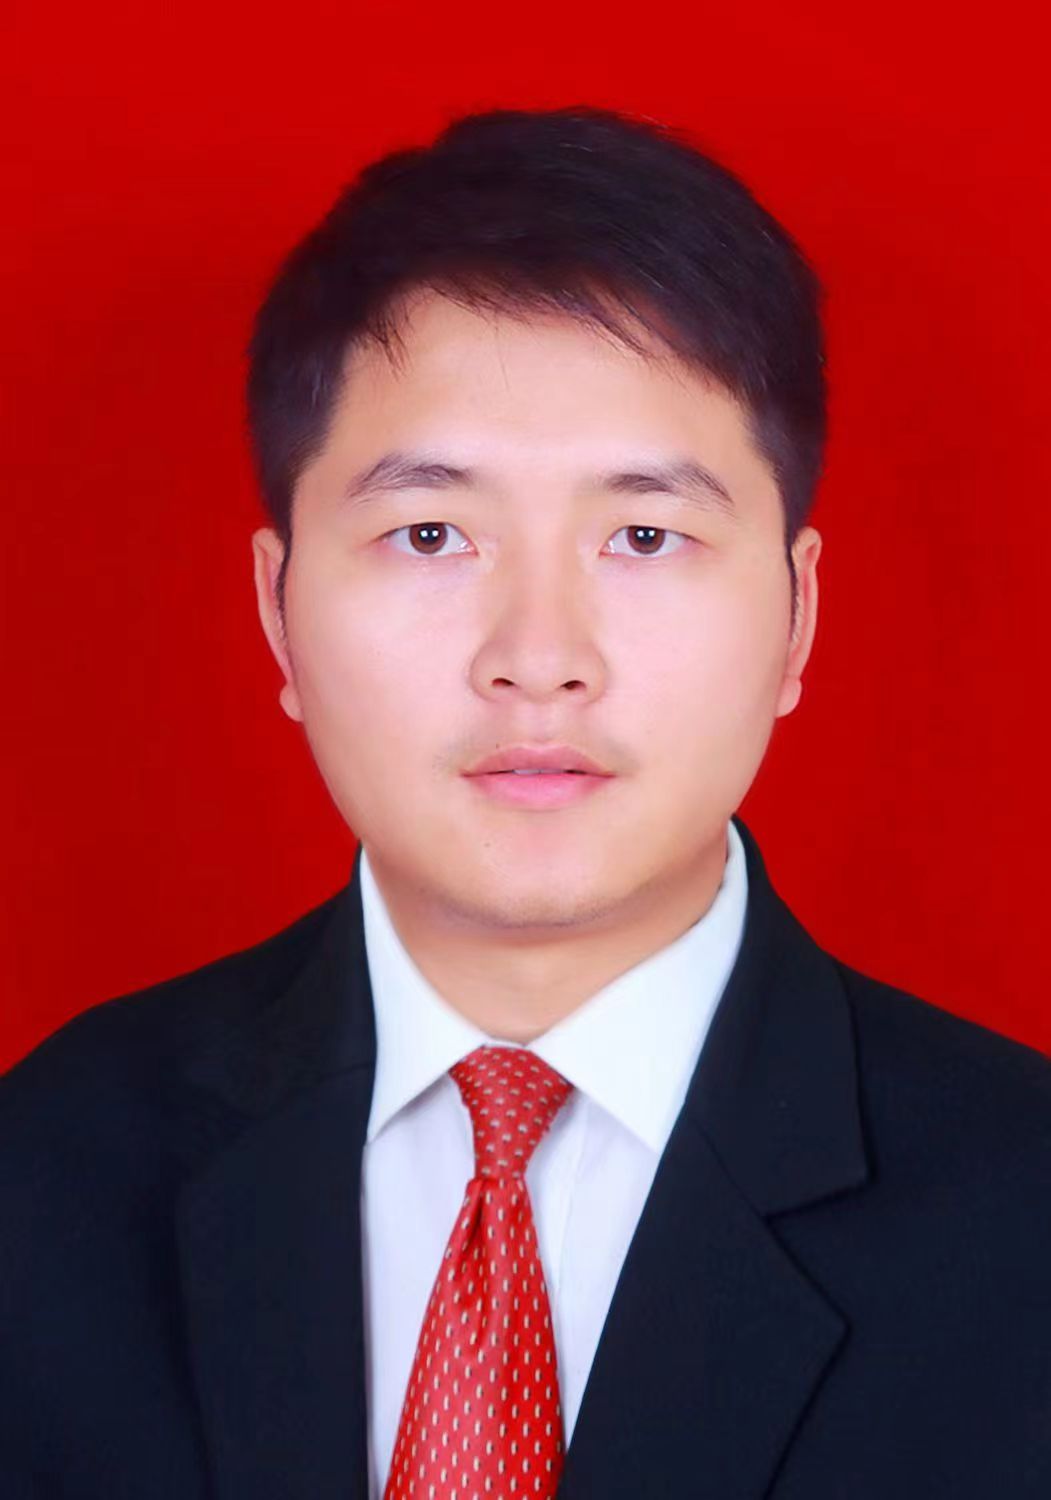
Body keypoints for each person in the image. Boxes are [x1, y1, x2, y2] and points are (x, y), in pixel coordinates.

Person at [2, 103, 1049, 1500]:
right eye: (431, 533)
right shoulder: (47, 1172)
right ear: (277, 613)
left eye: (644, 535)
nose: (540, 657)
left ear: (798, 616)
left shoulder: (1025, 1216)